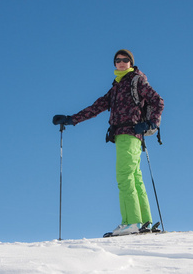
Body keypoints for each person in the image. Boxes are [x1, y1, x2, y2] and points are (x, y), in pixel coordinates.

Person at [52, 49, 164, 236]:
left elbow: (158, 101)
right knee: (135, 177)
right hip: (126, 135)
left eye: (125, 60)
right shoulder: (116, 87)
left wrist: (151, 123)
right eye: (117, 60)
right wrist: (71, 119)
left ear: (131, 62)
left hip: (130, 133)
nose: (121, 62)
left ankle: (131, 222)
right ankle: (145, 221)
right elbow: (96, 107)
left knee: (124, 176)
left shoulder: (136, 80)